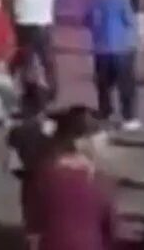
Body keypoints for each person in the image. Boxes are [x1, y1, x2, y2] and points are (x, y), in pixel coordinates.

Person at [22, 106, 115, 250]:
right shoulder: (100, 179)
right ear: (82, 142)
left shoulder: (43, 173)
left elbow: (33, 229)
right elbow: (109, 229)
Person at [5, 0, 59, 117]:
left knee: (23, 63)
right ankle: (52, 91)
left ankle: (23, 94)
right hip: (44, 26)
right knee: (47, 61)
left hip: (24, 27)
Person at [86, 0, 139, 131]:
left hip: (101, 48)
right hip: (122, 47)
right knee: (126, 85)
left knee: (103, 84)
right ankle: (128, 117)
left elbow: (86, 20)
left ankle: (105, 111)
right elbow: (129, 20)